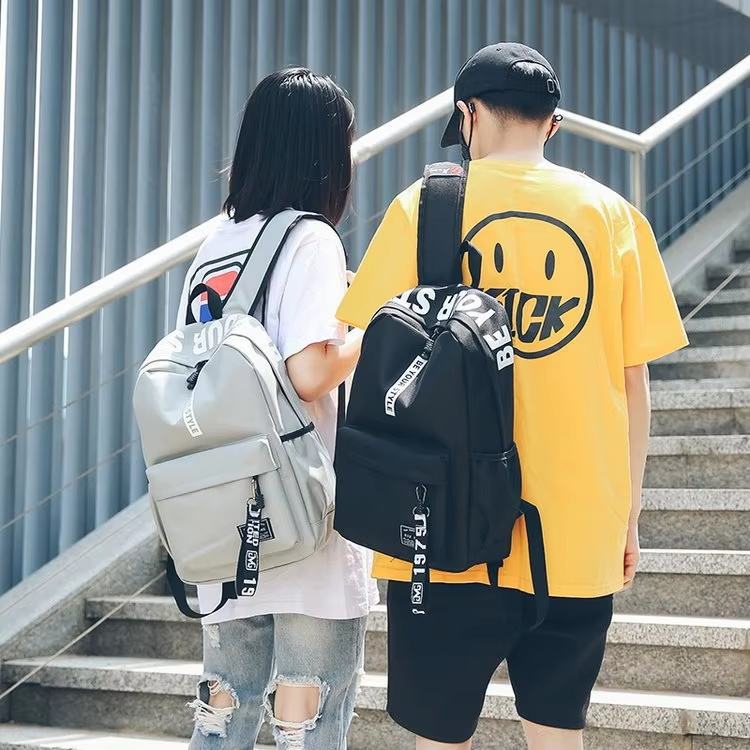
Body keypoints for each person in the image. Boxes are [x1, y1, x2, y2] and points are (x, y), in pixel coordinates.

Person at [338, 43, 687, 750]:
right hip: (574, 531)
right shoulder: (615, 217)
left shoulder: (423, 207)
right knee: (558, 735)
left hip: (442, 528)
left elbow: (370, 359)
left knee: (439, 739)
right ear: (553, 124)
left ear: (468, 115)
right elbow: (634, 384)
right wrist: (627, 516)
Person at [179, 68, 377, 750]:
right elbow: (310, 371)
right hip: (298, 515)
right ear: (324, 152)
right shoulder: (310, 239)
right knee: (306, 723)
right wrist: (370, 327)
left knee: (222, 713)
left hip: (221, 516)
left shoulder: (215, 245)